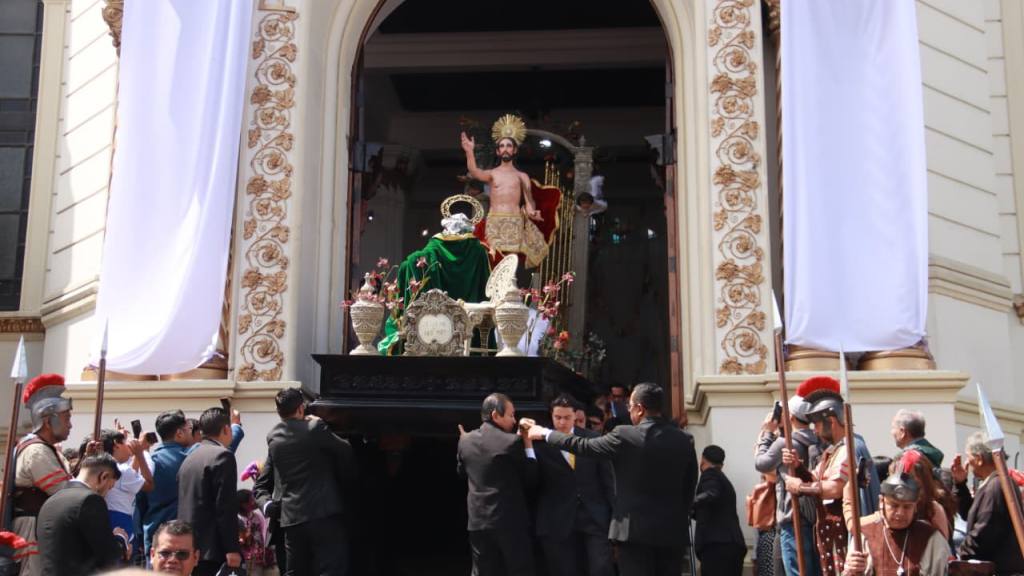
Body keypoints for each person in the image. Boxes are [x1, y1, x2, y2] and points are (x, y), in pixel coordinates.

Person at [525, 383, 699, 576]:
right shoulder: (684, 440)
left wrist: (545, 433)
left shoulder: (625, 435)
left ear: (640, 409)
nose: (629, 411)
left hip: (633, 533)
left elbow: (584, 446)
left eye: (630, 406)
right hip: (672, 533)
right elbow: (689, 487)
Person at [253, 387, 355, 575]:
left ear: (278, 412)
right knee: (330, 568)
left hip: (291, 520)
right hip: (323, 514)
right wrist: (322, 424)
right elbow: (346, 450)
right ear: (301, 408)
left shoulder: (273, 436)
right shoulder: (315, 428)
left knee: (295, 571)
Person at [457, 392, 538, 576]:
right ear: (495, 415)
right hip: (510, 522)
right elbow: (531, 477)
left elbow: (461, 472)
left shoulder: (465, 440)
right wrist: (527, 443)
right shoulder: (512, 442)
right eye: (510, 415)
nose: (514, 420)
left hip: (478, 522)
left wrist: (464, 441)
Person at [534, 394, 615, 576]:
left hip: (594, 516)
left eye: (567, 417)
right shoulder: (541, 443)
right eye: (558, 417)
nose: (562, 422)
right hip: (559, 518)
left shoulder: (593, 439)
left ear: (576, 416)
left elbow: (608, 482)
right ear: (552, 416)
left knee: (600, 568)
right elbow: (532, 480)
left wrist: (614, 517)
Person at [782, 377, 853, 576]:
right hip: (830, 535)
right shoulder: (832, 451)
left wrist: (800, 487)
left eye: (818, 425)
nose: (816, 430)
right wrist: (798, 467)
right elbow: (817, 479)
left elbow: (836, 488)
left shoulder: (850, 448)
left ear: (831, 421)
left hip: (843, 534)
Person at [461, 114, 549, 267]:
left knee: (510, 263)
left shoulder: (522, 176)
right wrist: (469, 151)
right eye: (502, 146)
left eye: (509, 146)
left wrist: (532, 212)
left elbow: (529, 201)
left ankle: (510, 290)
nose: (505, 149)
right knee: (492, 262)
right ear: (498, 152)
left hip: (513, 222)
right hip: (494, 221)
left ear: (514, 150)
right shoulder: (492, 174)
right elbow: (475, 172)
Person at [12, 373, 74, 576]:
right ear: (48, 421)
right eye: (67, 418)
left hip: (41, 525)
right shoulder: (37, 451)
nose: (70, 425)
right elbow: (65, 493)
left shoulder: (47, 448)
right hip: (33, 527)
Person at [755, 394, 821, 576]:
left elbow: (761, 463)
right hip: (814, 517)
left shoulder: (785, 443)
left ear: (790, 417)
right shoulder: (818, 440)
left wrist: (767, 433)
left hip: (792, 518)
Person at [36, 453, 129, 576]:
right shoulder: (91, 500)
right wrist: (120, 539)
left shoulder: (51, 500)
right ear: (104, 477)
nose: (107, 493)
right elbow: (108, 554)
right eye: (109, 487)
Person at [843, 471, 950, 575]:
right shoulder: (865, 534)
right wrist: (851, 571)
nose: (900, 513)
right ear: (881, 501)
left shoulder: (931, 538)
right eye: (894, 505)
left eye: (907, 507)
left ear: (915, 506)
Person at [177, 407, 241, 576]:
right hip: (213, 548)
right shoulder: (223, 456)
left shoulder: (189, 459)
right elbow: (225, 506)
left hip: (189, 547)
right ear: (226, 429)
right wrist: (232, 548)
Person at [956, 431, 1024, 572]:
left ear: (979, 459)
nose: (967, 463)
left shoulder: (997, 485)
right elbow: (972, 515)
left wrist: (959, 554)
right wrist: (961, 484)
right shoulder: (996, 483)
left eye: (969, 457)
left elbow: (984, 531)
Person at [138, 410, 192, 558]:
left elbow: (139, 502)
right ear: (179, 434)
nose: (191, 434)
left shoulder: (149, 462)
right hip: (185, 541)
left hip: (154, 536)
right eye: (189, 430)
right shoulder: (191, 460)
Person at [692, 445, 746, 575]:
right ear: (722, 464)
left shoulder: (709, 474)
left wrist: (688, 503)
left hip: (717, 547)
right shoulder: (723, 480)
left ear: (702, 460)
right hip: (732, 545)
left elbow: (711, 493)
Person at [101, 428, 153, 555]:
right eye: (125, 442)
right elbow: (149, 485)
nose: (128, 446)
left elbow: (131, 477)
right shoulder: (122, 471)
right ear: (116, 444)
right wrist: (140, 454)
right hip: (121, 522)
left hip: (105, 519)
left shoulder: (103, 466)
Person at [238, 489, 272, 576]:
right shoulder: (238, 520)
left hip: (258, 559)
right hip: (244, 560)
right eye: (252, 500)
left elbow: (263, 535)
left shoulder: (257, 517)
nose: (255, 502)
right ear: (243, 504)